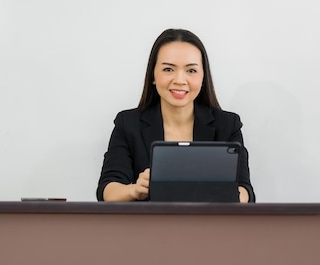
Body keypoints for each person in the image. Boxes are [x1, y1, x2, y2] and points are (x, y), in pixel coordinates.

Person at [97, 29, 255, 202]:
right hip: (147, 227)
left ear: (203, 77)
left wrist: (219, 191)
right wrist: (136, 189)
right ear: (153, 75)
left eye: (191, 71)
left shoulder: (228, 125)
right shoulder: (128, 124)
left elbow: (245, 192)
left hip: (210, 226)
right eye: (168, 69)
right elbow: (108, 191)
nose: (180, 80)